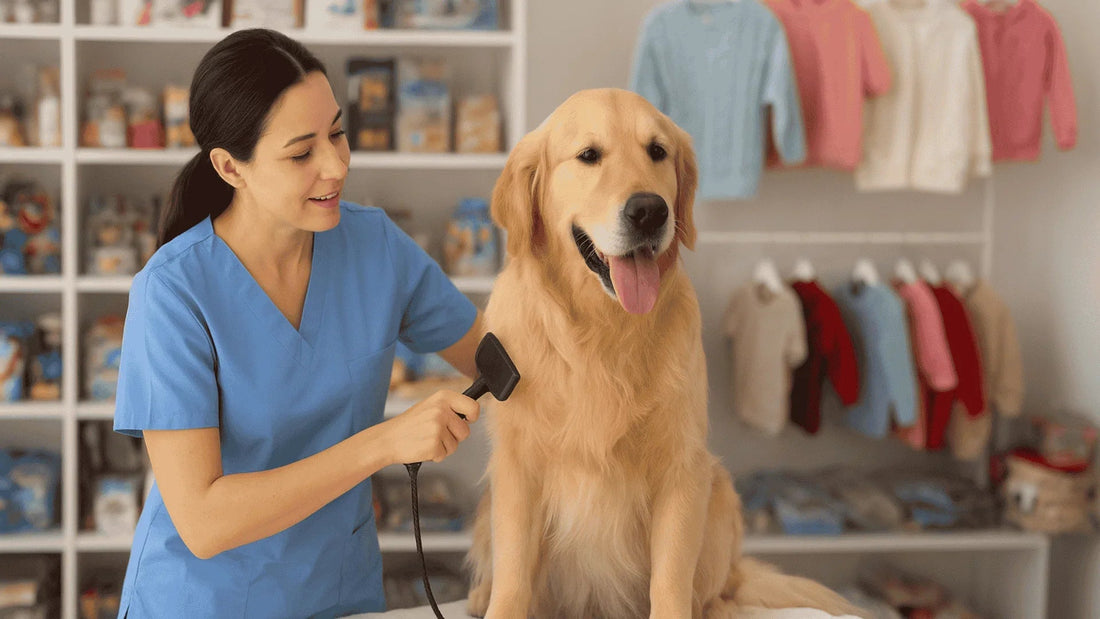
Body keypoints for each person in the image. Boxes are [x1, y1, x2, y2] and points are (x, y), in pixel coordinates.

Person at [112, 28, 484, 618]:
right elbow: (204, 521)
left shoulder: (375, 246)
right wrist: (384, 443)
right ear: (231, 168)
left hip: (337, 595)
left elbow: (496, 354)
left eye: (337, 132)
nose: (336, 165)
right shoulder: (173, 293)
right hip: (202, 603)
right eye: (301, 152)